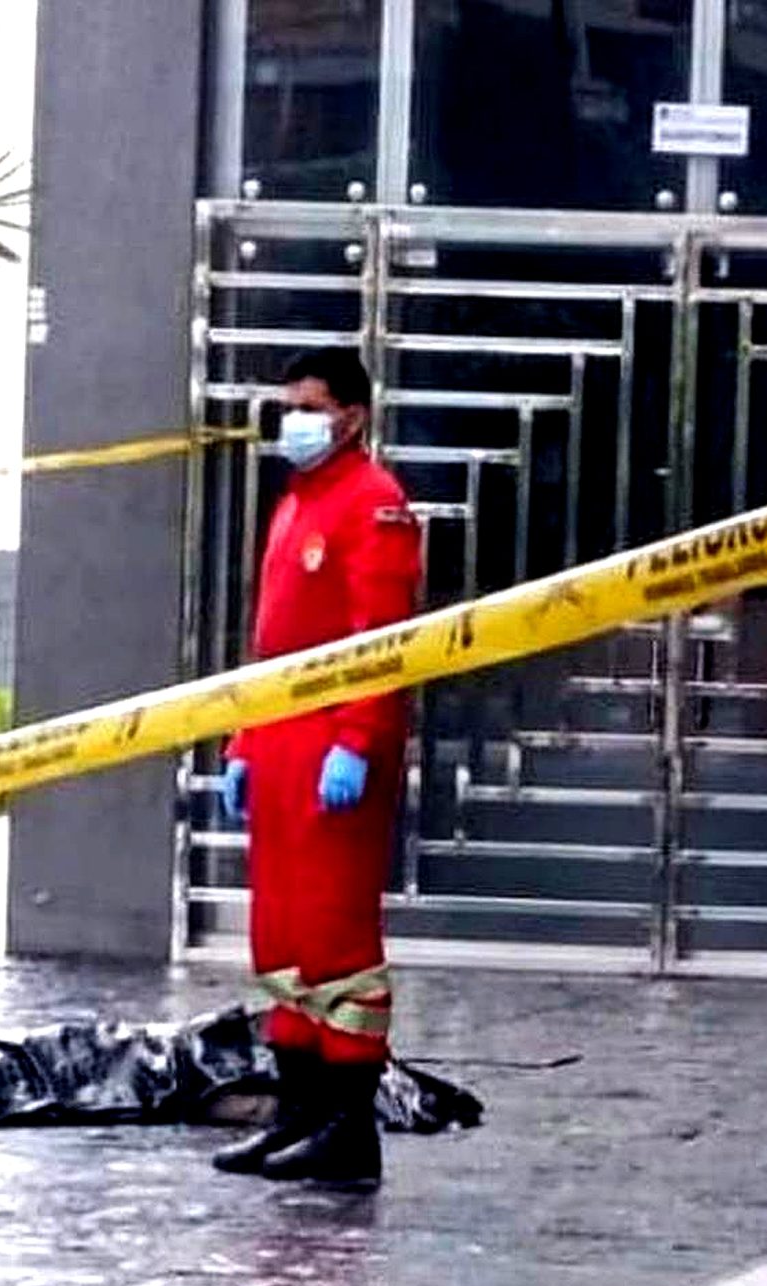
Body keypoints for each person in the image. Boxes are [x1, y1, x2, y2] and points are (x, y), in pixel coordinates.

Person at [211, 347, 421, 1190]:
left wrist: (358, 739)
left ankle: (347, 1124)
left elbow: (383, 640)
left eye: (311, 405)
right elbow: (272, 644)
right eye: (288, 404)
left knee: (338, 939)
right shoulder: (297, 502)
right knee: (284, 937)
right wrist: (244, 742)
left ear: (354, 416)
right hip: (283, 743)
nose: (294, 420)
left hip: (339, 748)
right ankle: (297, 1110)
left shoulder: (376, 507)